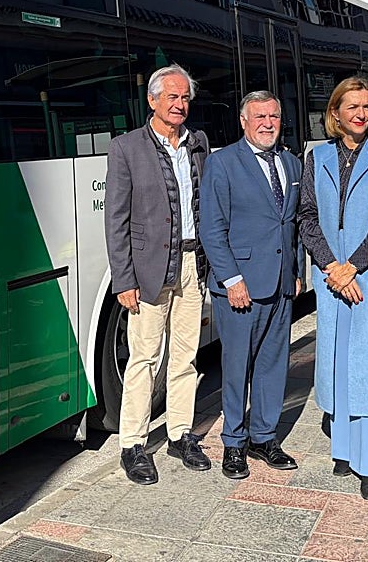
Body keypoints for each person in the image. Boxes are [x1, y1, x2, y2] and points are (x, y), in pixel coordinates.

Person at [104, 64, 211, 485]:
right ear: (152, 100)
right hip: (148, 269)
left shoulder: (198, 143)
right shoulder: (126, 148)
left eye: (185, 97)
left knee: (185, 354)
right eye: (172, 97)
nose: (180, 104)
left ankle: (180, 434)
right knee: (144, 358)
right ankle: (132, 443)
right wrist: (123, 279)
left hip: (191, 263)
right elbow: (116, 220)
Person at [299, 76, 368, 501]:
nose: (361, 114)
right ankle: (342, 450)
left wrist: (352, 267)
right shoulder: (317, 156)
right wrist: (330, 266)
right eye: (352, 107)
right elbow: (307, 215)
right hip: (331, 278)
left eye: (366, 107)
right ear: (336, 114)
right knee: (338, 365)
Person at [199, 91, 302, 480]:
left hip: (279, 284)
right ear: (244, 121)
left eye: (274, 116)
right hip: (239, 286)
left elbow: (290, 225)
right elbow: (212, 227)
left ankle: (264, 437)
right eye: (259, 116)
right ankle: (233, 443)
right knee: (236, 366)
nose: (268, 123)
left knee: (274, 365)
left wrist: (295, 270)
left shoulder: (291, 163)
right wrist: (232, 279)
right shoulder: (223, 163)